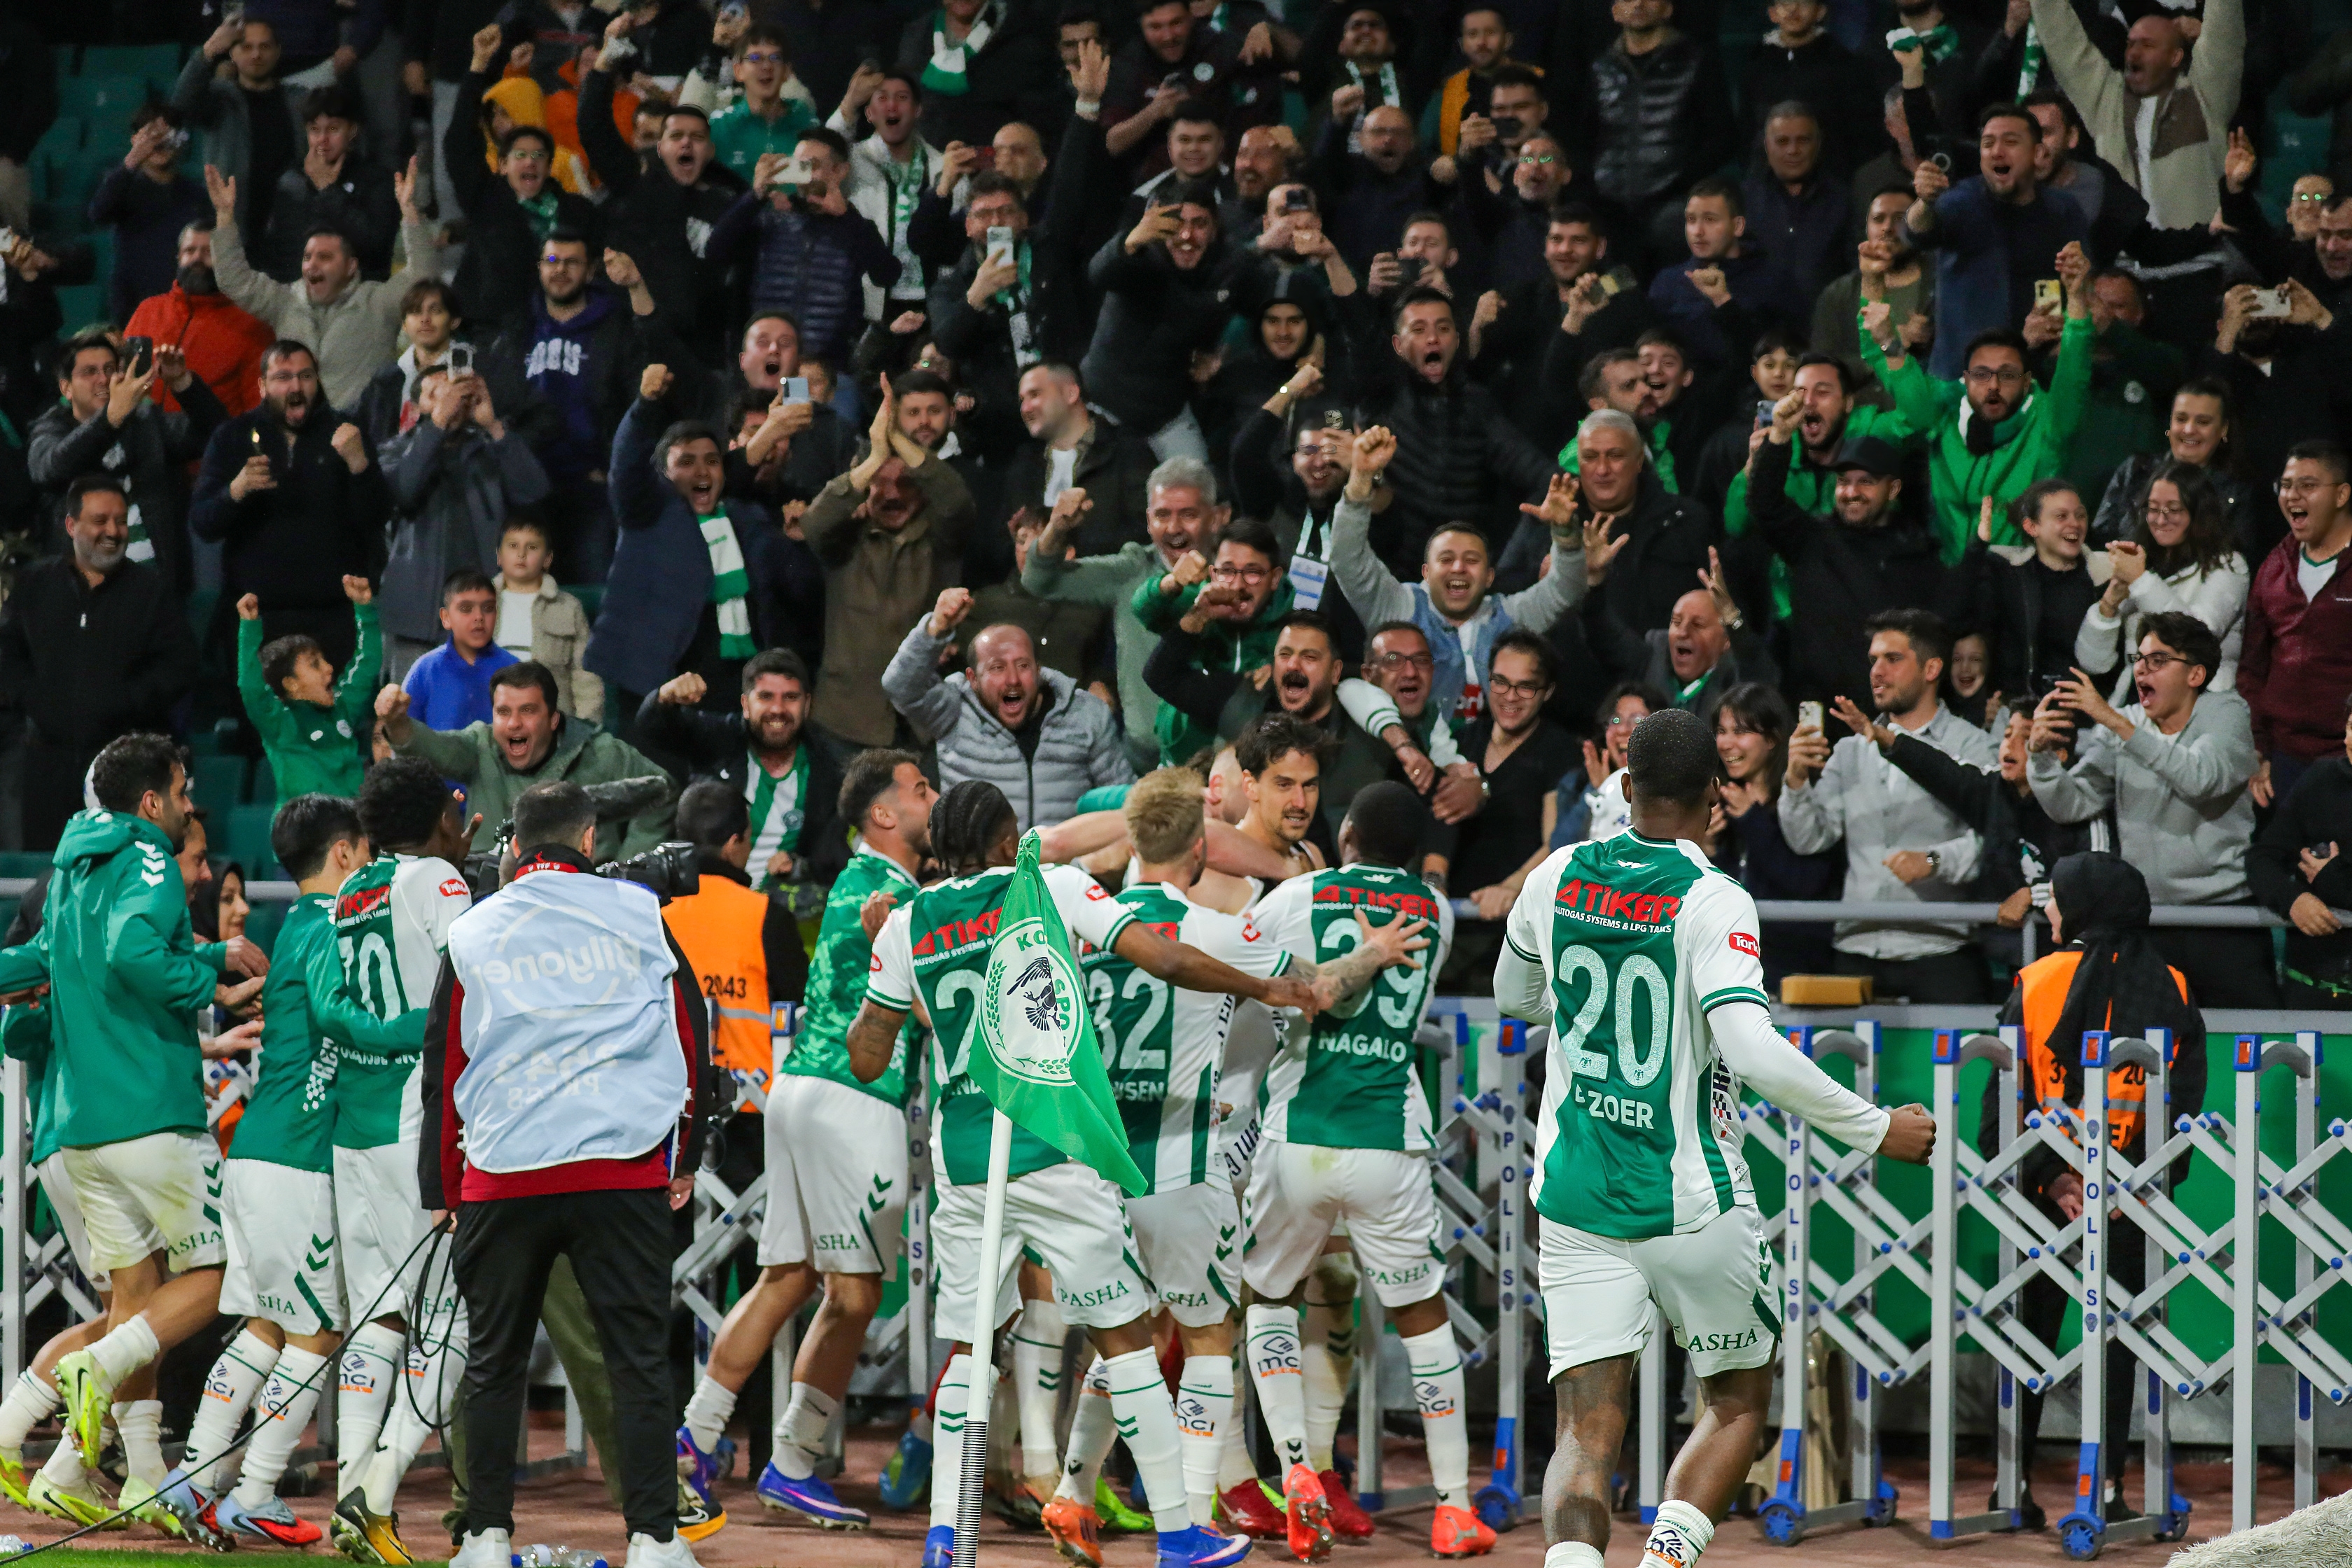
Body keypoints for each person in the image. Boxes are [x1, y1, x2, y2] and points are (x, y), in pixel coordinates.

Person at [1494, 706, 1936, 1568]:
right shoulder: (1714, 898)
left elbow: (1516, 999)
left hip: (1577, 1200)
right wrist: (1876, 1126)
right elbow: (1751, 1048)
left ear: (1625, 783)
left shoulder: (1555, 875)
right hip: (1692, 1200)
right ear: (1716, 795)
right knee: (1736, 1404)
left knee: (1584, 1430)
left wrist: (1581, 1015)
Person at [850, 778, 1320, 1568]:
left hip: (965, 1163)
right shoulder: (1051, 888)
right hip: (1054, 1147)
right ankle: (1179, 1535)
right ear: (1009, 844)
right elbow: (1162, 955)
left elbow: (869, 1056)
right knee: (1125, 1338)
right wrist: (1260, 984)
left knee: (971, 1347)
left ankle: (944, 1534)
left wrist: (895, 984)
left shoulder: (905, 925)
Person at [1051, 769, 1424, 1551]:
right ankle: (1189, 1519)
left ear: (1132, 841)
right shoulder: (1220, 933)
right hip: (1184, 1166)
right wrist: (1374, 950)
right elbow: (1317, 989)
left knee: (1125, 1334)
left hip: (1098, 1170)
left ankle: (1072, 1491)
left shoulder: (1088, 926)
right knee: (1210, 1336)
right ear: (1199, 849)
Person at [421, 780, 718, 1568]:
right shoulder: (639, 911)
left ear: (515, 845)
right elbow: (692, 1032)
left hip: (503, 1172)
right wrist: (685, 1155)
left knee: (493, 1364)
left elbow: (443, 1063)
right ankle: (655, 1540)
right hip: (620, 1169)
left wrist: (444, 1188)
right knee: (638, 1362)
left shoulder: (473, 928)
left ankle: (485, 1537)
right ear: (590, 841)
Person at [1, 734, 268, 1532]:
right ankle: (87, 1372)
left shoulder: (72, 871)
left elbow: (38, 961)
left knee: (140, 1301)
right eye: (182, 791)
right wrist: (212, 976)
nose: (188, 805)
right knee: (229, 1272)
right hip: (149, 1110)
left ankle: (131, 1475)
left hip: (81, 1128)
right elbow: (133, 951)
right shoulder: (147, 855)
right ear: (152, 801)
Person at [675, 750, 934, 1532]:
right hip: (855, 1100)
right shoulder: (896, 896)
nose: (933, 798)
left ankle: (696, 1435)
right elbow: (933, 1009)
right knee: (855, 1294)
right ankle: (792, 1460)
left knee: (786, 1277)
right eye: (920, 789)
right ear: (882, 814)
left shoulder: (856, 881)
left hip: (795, 1091)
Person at [158, 794, 374, 1548]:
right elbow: (343, 1023)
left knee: (263, 1326)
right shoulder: (333, 928)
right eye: (366, 852)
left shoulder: (295, 927)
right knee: (316, 1330)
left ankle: (192, 1477)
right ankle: (255, 1490)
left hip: (255, 1152)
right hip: (299, 1160)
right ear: (344, 853)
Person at [1982, 850, 2204, 1529]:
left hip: (2045, 1195)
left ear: (2081, 906)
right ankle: (2105, 1488)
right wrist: (2130, 1183)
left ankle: (2012, 1485)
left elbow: (2002, 1105)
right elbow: (2184, 1106)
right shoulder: (2173, 985)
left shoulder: (2035, 981)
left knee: (2026, 1334)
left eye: (2055, 897)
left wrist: (2054, 1178)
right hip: (2132, 1199)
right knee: (2121, 1339)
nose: (2048, 908)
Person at [309, 756, 479, 1564]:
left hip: (356, 1122)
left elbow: (338, 1002)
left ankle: (353, 1489)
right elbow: (472, 983)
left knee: (380, 1313)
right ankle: (375, 1492)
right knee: (453, 1319)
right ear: (442, 817)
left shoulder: (351, 889)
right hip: (417, 1117)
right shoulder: (440, 880)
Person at [2029, 613, 2276, 1006]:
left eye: (2158, 660)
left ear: (2195, 674)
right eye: (2139, 659)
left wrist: (2115, 723)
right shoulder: (2126, 723)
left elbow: (2200, 778)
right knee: (2149, 1040)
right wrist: (2041, 758)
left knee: (2248, 1036)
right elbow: (2073, 804)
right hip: (2149, 921)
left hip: (2224, 920)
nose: (2142, 669)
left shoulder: (2227, 713)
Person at [1779, 609, 2001, 1002]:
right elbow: (1807, 840)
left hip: (1941, 948)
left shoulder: (1973, 745)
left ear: (1932, 668)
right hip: (1857, 947)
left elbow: (1995, 838)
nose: (1877, 672)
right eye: (1873, 660)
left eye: (1893, 659)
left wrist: (1934, 861)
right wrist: (1796, 780)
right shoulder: (1850, 751)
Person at [1329, 426, 1585, 725]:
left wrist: (1565, 533)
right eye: (1446, 559)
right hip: (1403, 746)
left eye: (1471, 560)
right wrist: (1360, 479)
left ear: (1489, 577)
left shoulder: (1510, 618)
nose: (1459, 568)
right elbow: (1347, 558)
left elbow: (1566, 589)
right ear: (1426, 572)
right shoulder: (1398, 608)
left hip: (1487, 748)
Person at [1862, 237, 2093, 562]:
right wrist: (1872, 281)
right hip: (1952, 577)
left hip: (2021, 578)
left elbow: (2074, 374)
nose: (1993, 386)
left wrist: (2077, 299)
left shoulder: (2048, 423)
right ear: (1966, 379)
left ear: (2027, 381)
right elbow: (1884, 357)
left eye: (2007, 375)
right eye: (1982, 375)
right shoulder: (1943, 411)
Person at [0, 476, 200, 851]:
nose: (113, 531)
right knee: (50, 871)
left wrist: (125, 702)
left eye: (121, 521)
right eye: (100, 520)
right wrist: (34, 699)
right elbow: (7, 654)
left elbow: (179, 666)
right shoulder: (34, 584)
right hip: (47, 768)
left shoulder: (151, 592)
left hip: (126, 771)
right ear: (71, 525)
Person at [586, 363, 793, 719]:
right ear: (663, 473)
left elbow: (738, 467)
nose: (701, 471)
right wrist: (645, 406)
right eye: (685, 461)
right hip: (656, 681)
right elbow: (627, 466)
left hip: (731, 682)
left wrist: (774, 430)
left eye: (712, 461)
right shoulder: (648, 511)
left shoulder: (741, 518)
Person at [800, 377, 977, 749]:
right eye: (879, 482)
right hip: (847, 721)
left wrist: (896, 435)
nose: (893, 494)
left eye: (907, 483)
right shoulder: (844, 540)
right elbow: (815, 524)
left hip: (923, 725)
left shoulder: (942, 538)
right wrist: (874, 457)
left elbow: (956, 501)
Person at [1021, 450, 1224, 766]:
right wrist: (1056, 528)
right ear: (1148, 521)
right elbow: (1039, 581)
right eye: (1162, 515)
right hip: (1143, 760)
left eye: (1188, 515)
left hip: (1219, 758)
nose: (1174, 528)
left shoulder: (1239, 575)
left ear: (1215, 518)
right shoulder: (1130, 570)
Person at [883, 589, 1135, 830]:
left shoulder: (1085, 714)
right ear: (973, 679)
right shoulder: (955, 709)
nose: (1012, 679)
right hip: (978, 860)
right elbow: (899, 685)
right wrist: (935, 628)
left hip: (1065, 859)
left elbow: (1125, 803)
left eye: (1023, 665)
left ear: (1038, 671)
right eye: (997, 668)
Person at [202, 161, 440, 412]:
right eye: (307, 257)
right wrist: (225, 217)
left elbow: (423, 278)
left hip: (363, 428)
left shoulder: (377, 302)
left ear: (350, 267)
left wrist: (410, 213)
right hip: (300, 427)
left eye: (324, 257)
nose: (312, 265)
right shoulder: (285, 301)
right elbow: (234, 279)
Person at [379, 662, 678, 862]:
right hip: (492, 898)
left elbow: (662, 791)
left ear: (553, 719)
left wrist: (626, 871)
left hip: (581, 901)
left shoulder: (601, 752)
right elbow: (433, 748)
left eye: (528, 711)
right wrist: (397, 723)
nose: (514, 723)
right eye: (503, 712)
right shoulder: (480, 745)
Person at [380, 367, 553, 676]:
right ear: (416, 407)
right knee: (413, 705)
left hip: (485, 616)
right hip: (417, 619)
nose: (450, 401)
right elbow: (404, 491)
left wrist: (494, 426)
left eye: (456, 393)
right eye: (437, 394)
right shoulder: (395, 451)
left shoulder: (491, 448)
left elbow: (534, 491)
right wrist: (437, 426)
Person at [27, 329, 226, 594]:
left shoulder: (145, 421)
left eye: (109, 369)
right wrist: (109, 420)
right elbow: (52, 466)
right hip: (87, 595)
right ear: (66, 388)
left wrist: (183, 383)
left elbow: (218, 435)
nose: (103, 379)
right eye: (90, 372)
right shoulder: (49, 429)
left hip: (157, 586)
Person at [1903, 106, 2088, 385]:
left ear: (2038, 153)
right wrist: (1924, 202)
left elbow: (2080, 285)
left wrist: (2062, 325)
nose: (1997, 152)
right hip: (1959, 382)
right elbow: (1918, 231)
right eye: (1988, 144)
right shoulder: (1961, 201)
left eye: (2010, 142)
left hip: (2036, 378)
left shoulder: (2063, 210)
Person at [636, 651, 849, 892]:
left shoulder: (829, 771)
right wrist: (664, 697)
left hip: (777, 905)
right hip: (702, 894)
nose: (778, 709)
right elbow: (653, 729)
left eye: (790, 697)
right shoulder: (720, 739)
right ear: (746, 705)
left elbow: (832, 860)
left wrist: (801, 869)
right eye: (766, 697)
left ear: (807, 705)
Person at [2029, 0, 2241, 232]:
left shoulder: (2205, 96)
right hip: (2128, 254)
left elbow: (2224, 32)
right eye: (2132, 44)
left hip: (2202, 250)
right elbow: (2062, 40)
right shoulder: (2108, 102)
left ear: (2175, 56)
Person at [447, 25, 601, 330]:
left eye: (538, 156)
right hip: (488, 330)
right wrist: (478, 67)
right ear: (503, 165)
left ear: (549, 165)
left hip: (554, 329)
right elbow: (460, 144)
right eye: (520, 155)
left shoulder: (576, 211)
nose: (530, 162)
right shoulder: (485, 198)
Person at [2240, 442, 2352, 809]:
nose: (2292, 496)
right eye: (2286, 485)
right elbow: (2253, 667)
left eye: (2307, 485)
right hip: (2283, 760)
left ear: (2342, 495)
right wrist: (2258, 747)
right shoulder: (2275, 566)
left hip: (2345, 759)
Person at [2078, 462, 2249, 701]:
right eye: (2153, 508)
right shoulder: (2145, 562)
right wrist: (2110, 602)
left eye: (2173, 509)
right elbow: (2094, 663)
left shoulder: (2230, 565)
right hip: (2136, 705)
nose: (2160, 519)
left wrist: (2140, 580)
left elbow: (2197, 640)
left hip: (2200, 706)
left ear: (2199, 513)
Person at [1708, 682, 1840, 981]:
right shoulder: (1720, 804)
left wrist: (1753, 820)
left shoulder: (1805, 800)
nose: (1726, 744)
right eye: (1721, 731)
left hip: (1795, 969)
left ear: (1772, 739)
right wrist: (1710, 850)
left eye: (1740, 732)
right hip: (1733, 968)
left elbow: (1807, 883)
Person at [1581, 543, 1774, 724]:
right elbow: (1604, 634)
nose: (1683, 632)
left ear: (1725, 641)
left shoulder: (1736, 675)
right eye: (1676, 622)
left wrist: (1731, 617)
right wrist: (1594, 582)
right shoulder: (1654, 654)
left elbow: (1758, 679)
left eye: (1698, 625)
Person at [237, 574, 382, 799]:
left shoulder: (343, 709)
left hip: (353, 818)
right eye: (315, 664)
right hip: (303, 822)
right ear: (292, 684)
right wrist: (249, 629)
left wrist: (365, 609)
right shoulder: (282, 725)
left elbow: (366, 663)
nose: (329, 668)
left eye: (323, 660)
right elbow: (251, 689)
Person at [2249, 698, 2352, 1007]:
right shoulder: (2322, 779)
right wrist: (2293, 899)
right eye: (2350, 727)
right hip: (2314, 986)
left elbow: (2336, 882)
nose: (2350, 741)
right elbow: (2262, 858)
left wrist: (2333, 879)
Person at [2089, 379, 2262, 560]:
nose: (2189, 429)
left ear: (2223, 429)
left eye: (2203, 422)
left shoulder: (2238, 493)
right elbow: (2100, 543)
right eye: (2181, 419)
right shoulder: (2136, 469)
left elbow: (2236, 562)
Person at [123, 220, 276, 419]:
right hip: (141, 432)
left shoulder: (252, 324)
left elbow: (258, 411)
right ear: (179, 257)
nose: (197, 258)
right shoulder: (148, 310)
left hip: (214, 436)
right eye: (190, 251)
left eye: (208, 252)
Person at [170, 15, 300, 239]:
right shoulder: (221, 99)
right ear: (232, 53)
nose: (256, 54)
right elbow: (181, 107)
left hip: (290, 229)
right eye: (247, 47)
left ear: (278, 51)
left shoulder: (298, 101)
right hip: (234, 227)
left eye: (265, 47)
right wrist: (208, 51)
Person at [259, 85, 398, 282]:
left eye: (333, 129)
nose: (322, 140)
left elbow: (376, 247)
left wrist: (327, 190)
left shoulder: (376, 180)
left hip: (357, 293)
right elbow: (280, 253)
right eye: (314, 130)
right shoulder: (291, 180)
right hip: (299, 294)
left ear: (352, 131)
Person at [90, 104, 209, 328]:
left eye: (168, 136)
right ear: (136, 140)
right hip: (135, 305)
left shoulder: (196, 195)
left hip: (188, 304)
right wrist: (131, 161)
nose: (159, 144)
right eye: (151, 137)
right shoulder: (123, 187)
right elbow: (98, 214)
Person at [493, 518, 604, 724]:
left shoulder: (568, 608)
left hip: (554, 725)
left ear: (547, 559)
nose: (521, 554)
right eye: (513, 546)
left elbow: (585, 675)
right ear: (499, 556)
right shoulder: (478, 603)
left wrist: (586, 727)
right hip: (489, 721)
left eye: (532, 547)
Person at [403, 571, 524, 731]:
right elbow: (405, 735)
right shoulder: (425, 670)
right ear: (446, 618)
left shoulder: (515, 671)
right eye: (466, 608)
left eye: (488, 608)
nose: (479, 617)